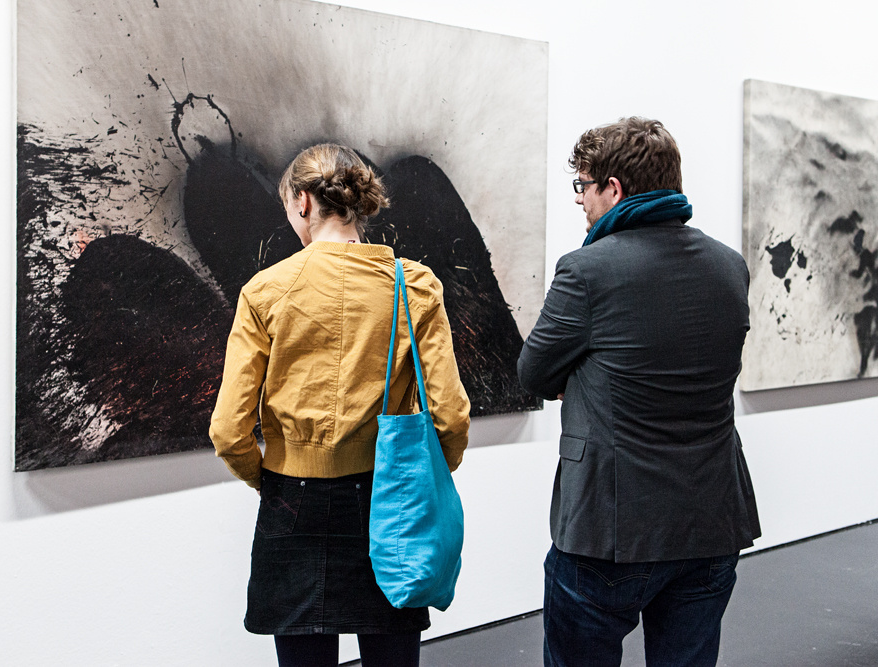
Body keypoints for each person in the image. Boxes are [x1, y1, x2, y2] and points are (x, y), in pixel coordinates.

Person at [209, 143, 471, 667]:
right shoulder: (414, 287)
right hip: (386, 498)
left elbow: (228, 431)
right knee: (392, 655)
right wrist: (419, 474)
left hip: (291, 500)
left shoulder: (266, 291)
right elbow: (451, 416)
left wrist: (275, 478)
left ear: (303, 201)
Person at [517, 118, 760, 667]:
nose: (580, 200)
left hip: (611, 526)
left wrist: (581, 376)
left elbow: (533, 374)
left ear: (614, 189)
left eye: (584, 186)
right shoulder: (730, 266)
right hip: (710, 517)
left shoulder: (586, 271)